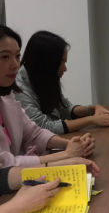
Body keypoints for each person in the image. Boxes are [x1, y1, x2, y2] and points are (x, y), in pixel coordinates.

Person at [0, 26, 95, 168]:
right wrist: (66, 154)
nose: (15, 65)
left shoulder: (7, 95)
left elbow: (33, 133)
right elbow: (4, 164)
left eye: (17, 56)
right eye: (5, 57)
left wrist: (71, 144)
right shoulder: (18, 86)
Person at [16, 31, 109, 135]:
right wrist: (91, 120)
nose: (65, 69)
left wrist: (93, 109)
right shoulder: (18, 89)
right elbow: (45, 127)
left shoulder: (43, 77)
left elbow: (64, 109)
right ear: (46, 62)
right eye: (61, 62)